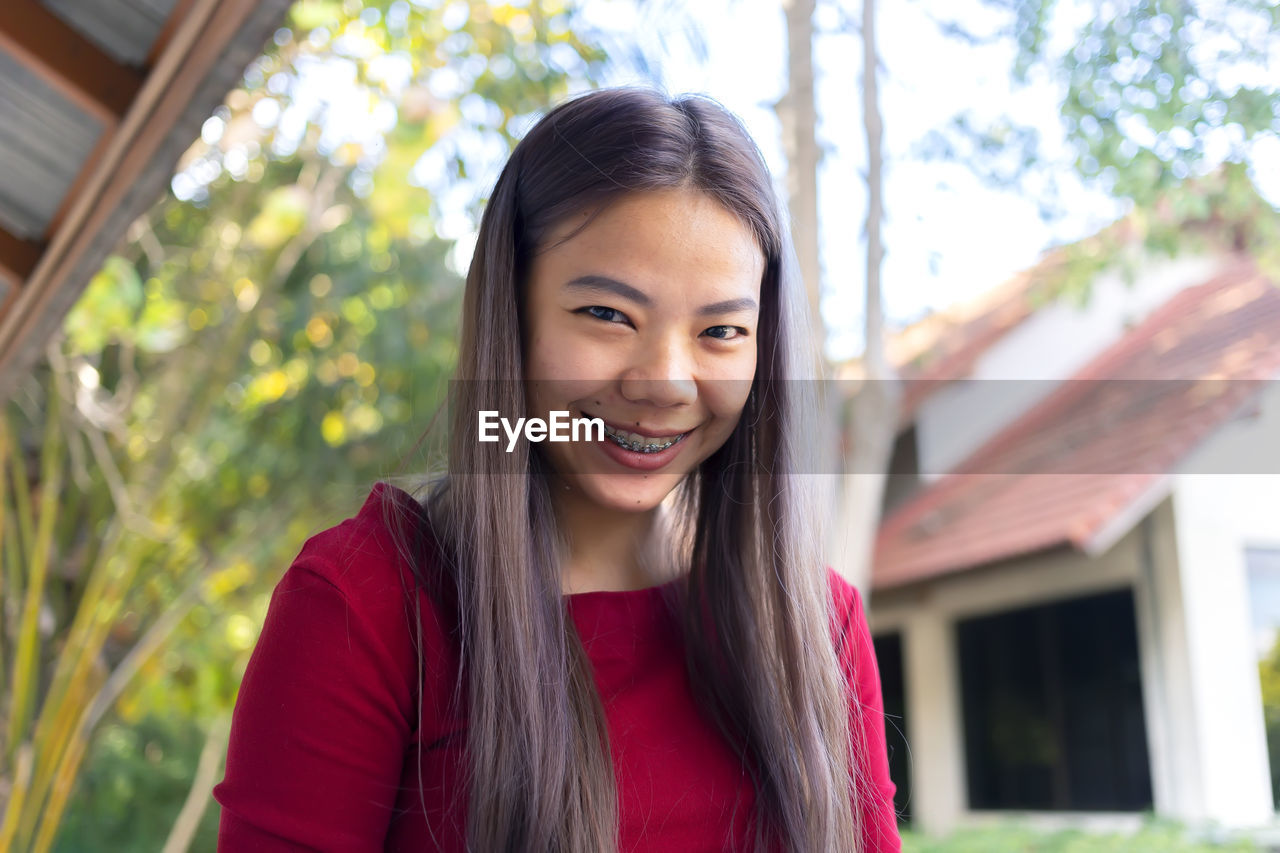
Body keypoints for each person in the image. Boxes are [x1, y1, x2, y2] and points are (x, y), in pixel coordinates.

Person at [213, 86, 901, 852]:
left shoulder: (815, 623)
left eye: (721, 330)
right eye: (608, 315)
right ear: (515, 312)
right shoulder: (361, 606)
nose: (664, 381)